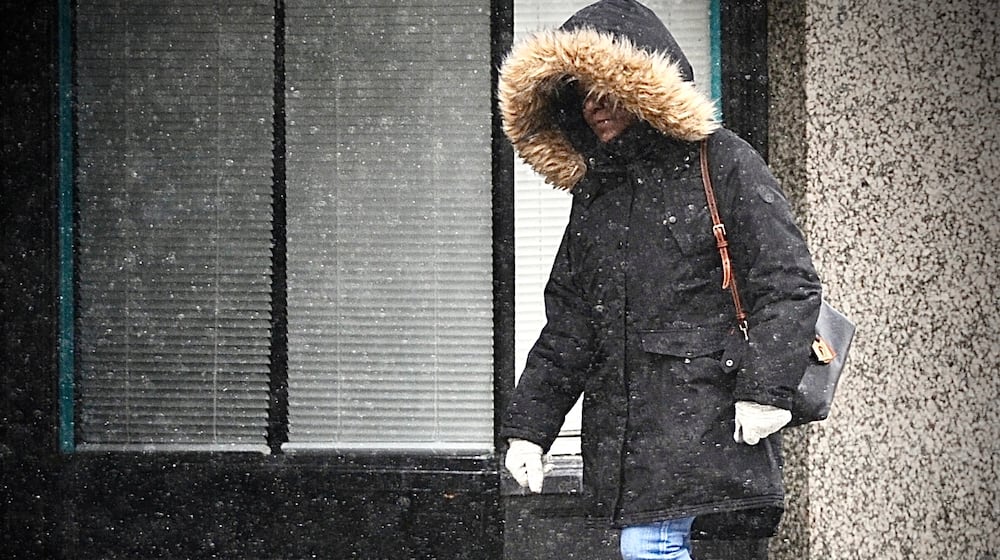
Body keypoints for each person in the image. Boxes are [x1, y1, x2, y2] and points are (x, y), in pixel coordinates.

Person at [498, 1, 823, 558]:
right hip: (629, 433)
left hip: (708, 416)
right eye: (583, 92)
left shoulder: (722, 161)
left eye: (607, 90)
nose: (595, 107)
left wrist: (765, 390)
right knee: (649, 544)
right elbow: (571, 325)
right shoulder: (597, 191)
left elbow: (787, 281)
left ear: (643, 87)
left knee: (650, 546)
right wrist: (531, 426)